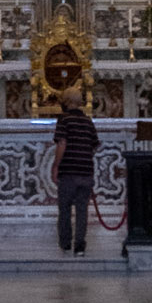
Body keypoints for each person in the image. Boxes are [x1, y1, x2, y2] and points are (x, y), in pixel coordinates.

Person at [52, 86, 99, 257]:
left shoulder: (64, 120)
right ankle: (80, 245)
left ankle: (65, 243)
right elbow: (95, 145)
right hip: (86, 170)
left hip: (69, 170)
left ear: (66, 101)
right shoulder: (88, 121)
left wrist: (56, 165)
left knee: (64, 208)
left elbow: (61, 143)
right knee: (82, 209)